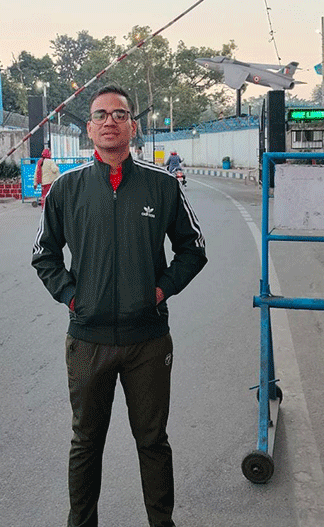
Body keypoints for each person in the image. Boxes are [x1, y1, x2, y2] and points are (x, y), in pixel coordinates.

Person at [32, 84, 207, 527]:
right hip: (87, 341)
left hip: (147, 341)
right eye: (100, 115)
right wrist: (73, 297)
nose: (110, 121)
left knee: (152, 441)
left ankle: (161, 523)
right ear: (90, 129)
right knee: (85, 443)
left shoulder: (162, 185)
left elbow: (193, 248)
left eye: (119, 114)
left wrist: (159, 291)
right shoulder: (65, 189)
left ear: (132, 126)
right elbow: (44, 255)